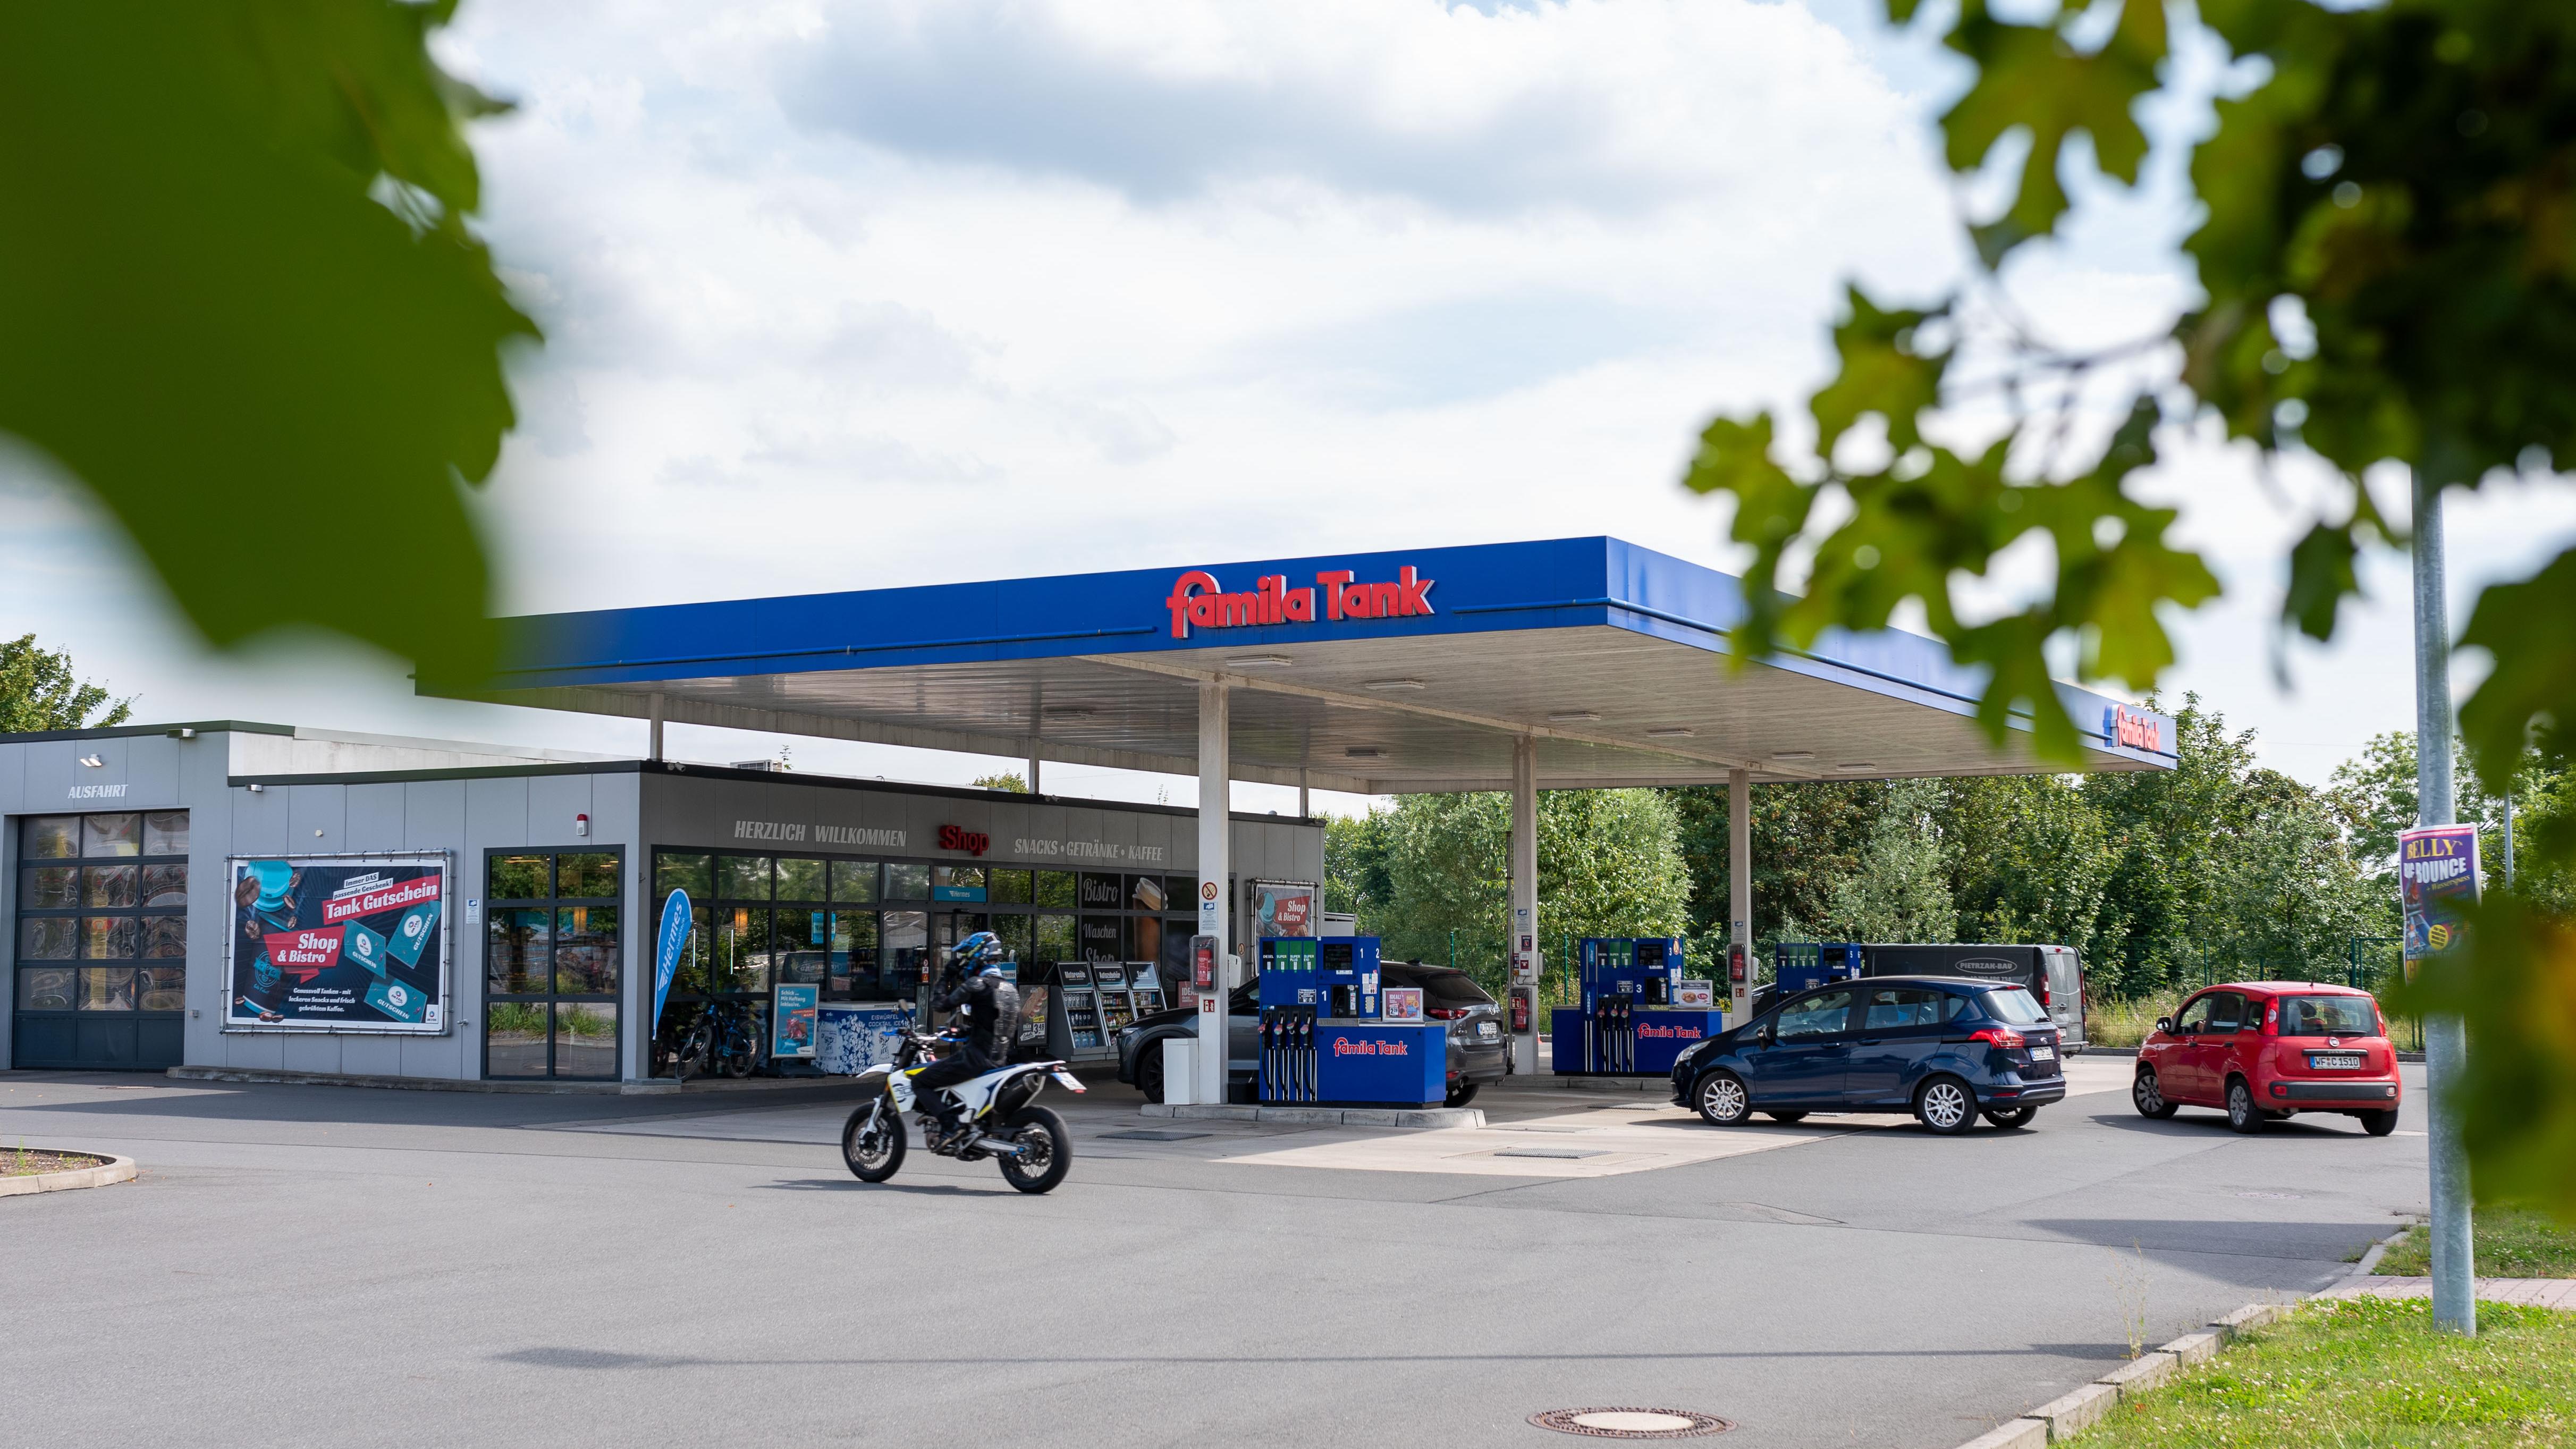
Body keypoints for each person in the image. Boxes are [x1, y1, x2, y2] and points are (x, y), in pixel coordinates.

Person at [908, 931, 1018, 1143]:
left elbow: (939, 1004)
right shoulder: (1010, 989)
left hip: (974, 1059)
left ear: (979, 955)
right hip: (1000, 1060)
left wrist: (947, 975)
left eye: (967, 956)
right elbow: (999, 1027)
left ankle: (950, 1127)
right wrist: (965, 1031)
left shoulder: (978, 984)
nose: (965, 962)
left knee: (920, 1082)